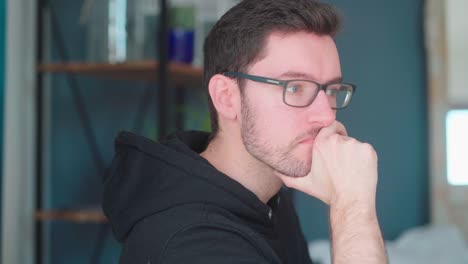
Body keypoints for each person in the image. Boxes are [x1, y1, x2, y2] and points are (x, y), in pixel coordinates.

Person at [103, 0, 388, 263]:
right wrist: (353, 206)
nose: (326, 116)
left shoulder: (268, 201)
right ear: (227, 97)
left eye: (331, 91)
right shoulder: (191, 242)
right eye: (296, 87)